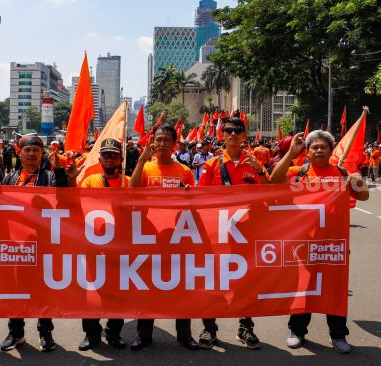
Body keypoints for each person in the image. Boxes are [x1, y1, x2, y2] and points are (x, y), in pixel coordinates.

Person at [270, 128, 369, 354]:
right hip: (304, 244)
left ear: (331, 150)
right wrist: (290, 154)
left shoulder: (342, 174)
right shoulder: (299, 172)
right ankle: (297, 331)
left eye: (323, 146)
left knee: (335, 290)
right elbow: (274, 180)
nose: (318, 150)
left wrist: (358, 181)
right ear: (307, 151)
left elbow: (363, 196)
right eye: (313, 146)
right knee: (303, 289)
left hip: (333, 247)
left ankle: (338, 335)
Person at [0, 135, 77, 352]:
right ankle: (16, 333)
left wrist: (63, 172)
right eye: (28, 150)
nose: (32, 154)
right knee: (15, 291)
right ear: (19, 152)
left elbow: (64, 201)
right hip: (17, 246)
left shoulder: (50, 177)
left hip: (43, 244)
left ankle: (46, 333)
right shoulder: (10, 179)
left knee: (43, 291)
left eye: (36, 150)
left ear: (42, 153)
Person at [197, 117, 267, 350]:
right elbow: (200, 199)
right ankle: (209, 327)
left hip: (246, 235)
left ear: (244, 134)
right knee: (213, 281)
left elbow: (269, 194)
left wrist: (262, 172)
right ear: (222, 134)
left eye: (238, 130)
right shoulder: (212, 165)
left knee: (245, 282)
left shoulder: (253, 164)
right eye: (228, 130)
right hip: (217, 234)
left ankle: (245, 328)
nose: (233, 134)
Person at [129, 124, 198, 351]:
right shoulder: (146, 168)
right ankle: (144, 336)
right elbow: (132, 191)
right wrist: (140, 160)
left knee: (182, 289)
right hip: (149, 238)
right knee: (147, 288)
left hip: (177, 240)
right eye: (158, 139)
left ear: (174, 144)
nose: (161, 144)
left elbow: (195, 204)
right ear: (152, 142)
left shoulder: (184, 171)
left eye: (166, 140)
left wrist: (189, 194)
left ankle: (184, 335)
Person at [76, 138, 129, 351]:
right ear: (99, 158)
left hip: (119, 248)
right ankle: (91, 334)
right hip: (93, 246)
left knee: (116, 293)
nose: (109, 158)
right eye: (105, 155)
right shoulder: (89, 181)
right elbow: (76, 206)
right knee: (91, 293)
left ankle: (114, 333)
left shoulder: (127, 182)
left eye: (113, 155)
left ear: (120, 158)